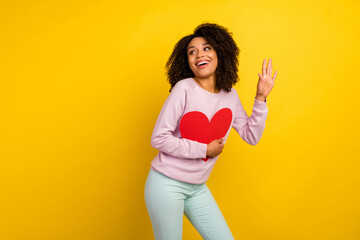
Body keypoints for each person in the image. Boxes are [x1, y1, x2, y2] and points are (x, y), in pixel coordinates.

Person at [144, 23, 277, 240]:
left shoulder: (230, 95)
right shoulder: (184, 89)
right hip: (166, 185)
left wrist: (260, 98)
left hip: (197, 188)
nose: (199, 55)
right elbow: (159, 138)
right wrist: (204, 149)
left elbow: (251, 136)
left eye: (206, 48)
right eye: (192, 52)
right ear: (187, 61)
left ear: (219, 53)